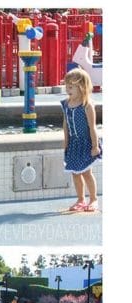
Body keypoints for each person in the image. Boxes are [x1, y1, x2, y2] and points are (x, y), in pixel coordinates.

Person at [61, 68, 101, 212]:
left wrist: (95, 146)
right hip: (73, 144)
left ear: (82, 87)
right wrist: (66, 142)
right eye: (66, 86)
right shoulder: (66, 104)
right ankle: (81, 199)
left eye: (71, 87)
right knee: (75, 172)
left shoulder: (87, 105)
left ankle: (94, 199)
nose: (68, 89)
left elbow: (92, 127)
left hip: (86, 143)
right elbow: (65, 124)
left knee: (86, 172)